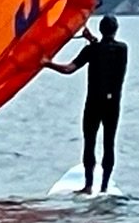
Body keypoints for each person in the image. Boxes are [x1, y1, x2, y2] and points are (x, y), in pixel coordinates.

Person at [45, 14, 128, 193]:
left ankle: (89, 186)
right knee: (109, 143)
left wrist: (46, 63)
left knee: (89, 143)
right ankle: (104, 187)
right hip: (112, 104)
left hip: (93, 104)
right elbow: (107, 48)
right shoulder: (123, 49)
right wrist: (93, 41)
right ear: (116, 30)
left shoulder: (92, 50)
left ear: (101, 29)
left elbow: (68, 69)